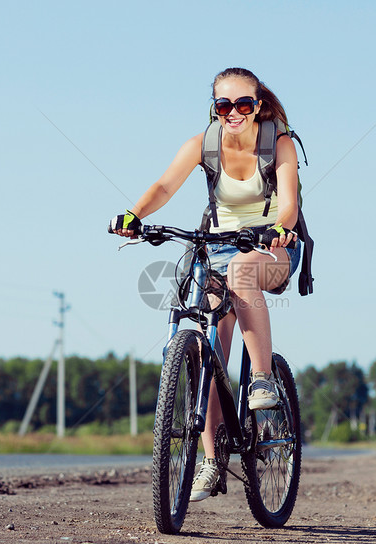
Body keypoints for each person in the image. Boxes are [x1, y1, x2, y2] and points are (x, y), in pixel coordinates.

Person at [110, 67, 301, 501]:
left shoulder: (279, 144)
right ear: (214, 109)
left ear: (258, 105)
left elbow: (288, 204)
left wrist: (275, 229)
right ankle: (212, 462)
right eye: (223, 105)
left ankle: (263, 382)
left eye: (243, 104)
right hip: (216, 248)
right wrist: (134, 215)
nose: (233, 112)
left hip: (273, 247)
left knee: (241, 273)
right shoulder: (203, 144)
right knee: (210, 350)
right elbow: (163, 185)